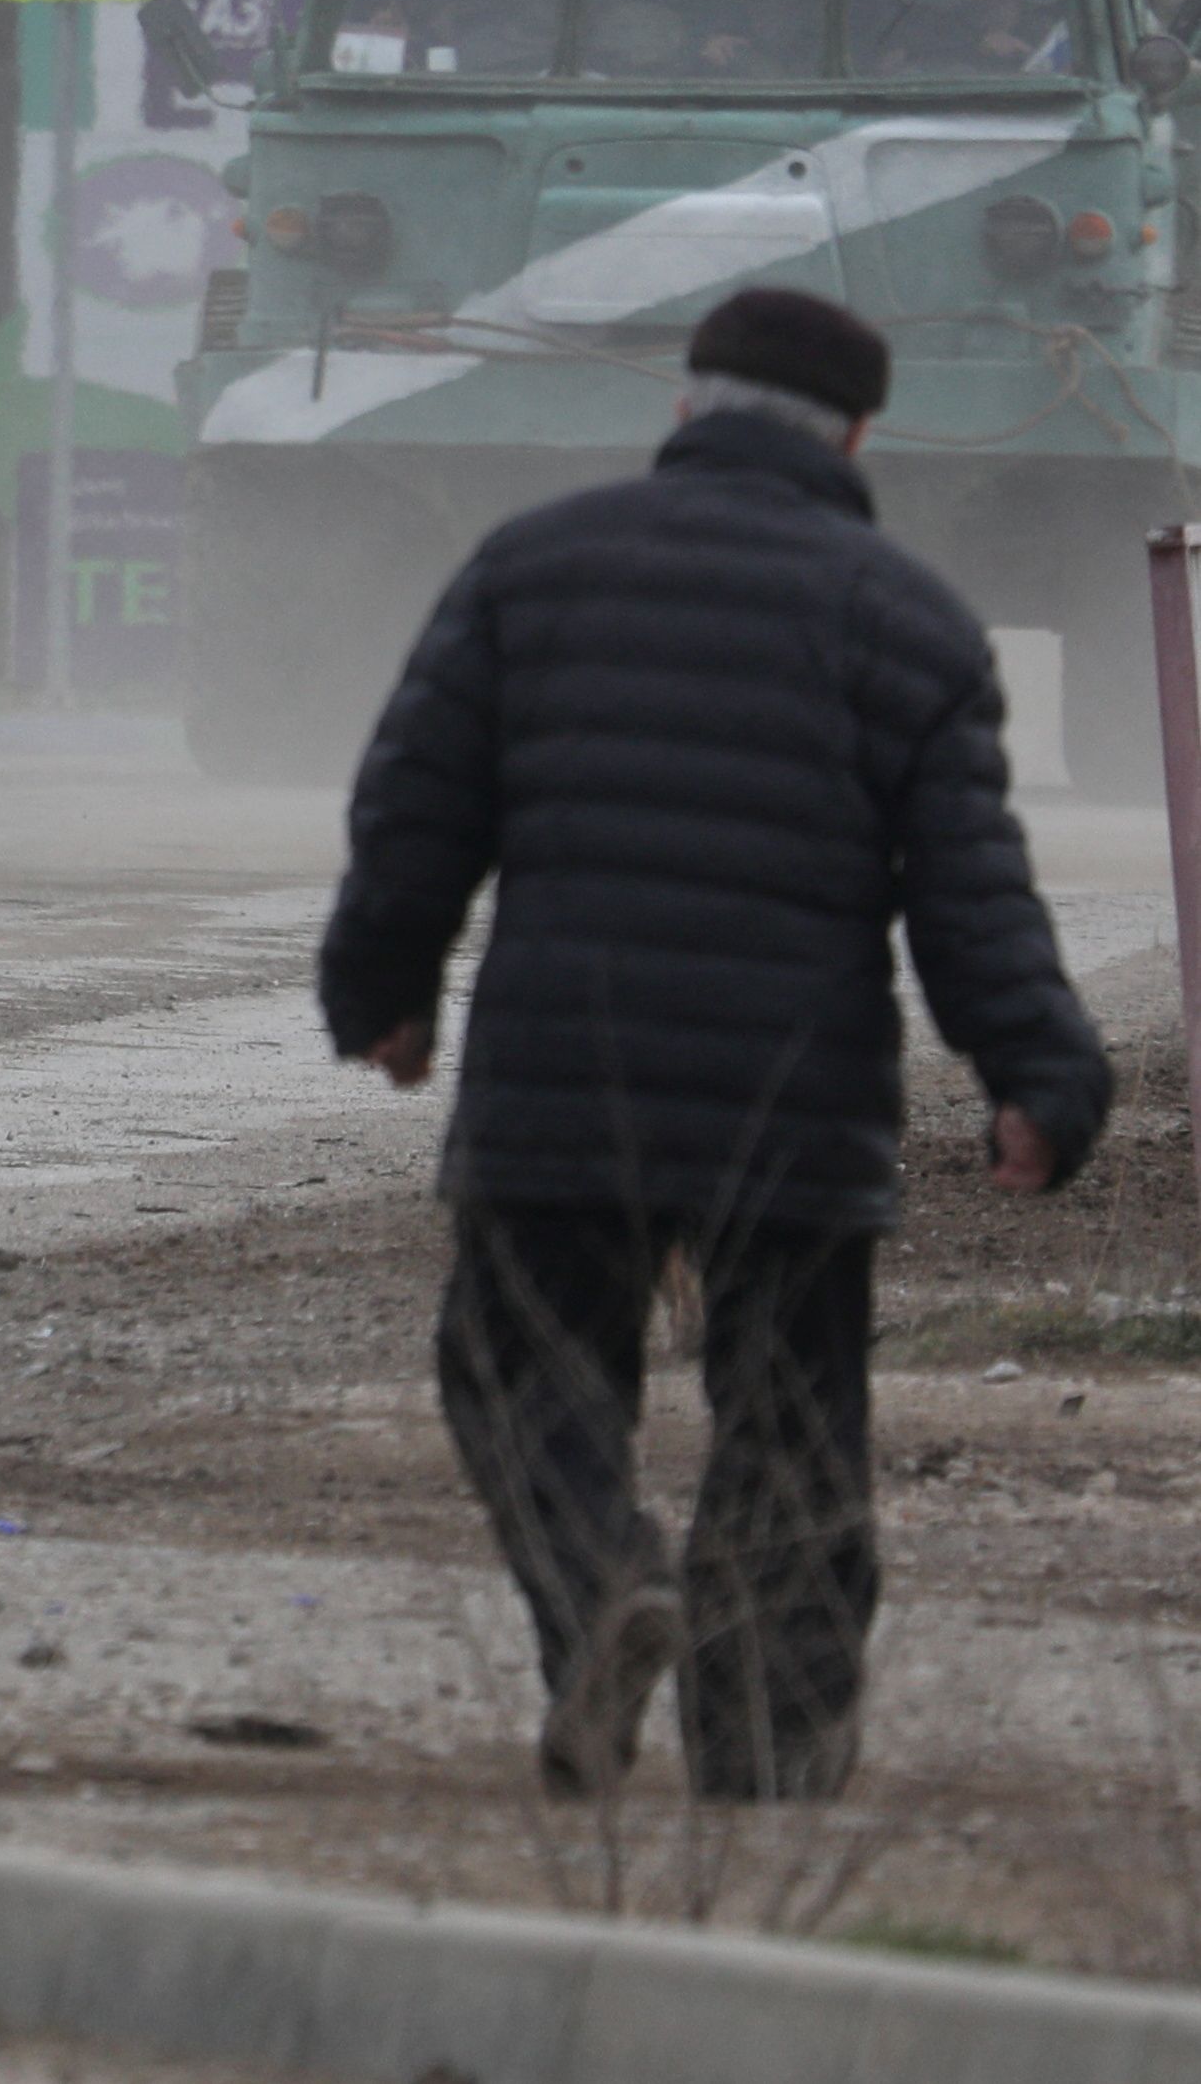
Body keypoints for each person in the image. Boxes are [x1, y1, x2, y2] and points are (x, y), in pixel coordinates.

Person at [320, 283, 1108, 1803]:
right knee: (792, 1424)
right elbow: (971, 898)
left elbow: (412, 810)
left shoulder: (530, 569)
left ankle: (604, 1580)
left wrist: (383, 996)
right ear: (858, 435)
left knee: (520, 1375)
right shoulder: (910, 622)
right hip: (792, 1108)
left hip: (561, 1081)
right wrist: (1040, 1081)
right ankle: (768, 1756)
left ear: (683, 408)